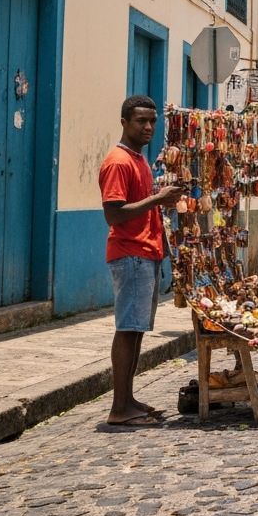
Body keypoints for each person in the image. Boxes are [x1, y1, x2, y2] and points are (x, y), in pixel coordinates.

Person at [99, 95, 183, 427]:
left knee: (137, 331)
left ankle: (129, 399)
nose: (148, 127)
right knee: (127, 329)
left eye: (152, 121)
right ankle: (119, 408)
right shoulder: (119, 161)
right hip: (130, 254)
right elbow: (113, 214)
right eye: (140, 121)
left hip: (146, 253)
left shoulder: (139, 160)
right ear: (124, 123)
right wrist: (157, 199)